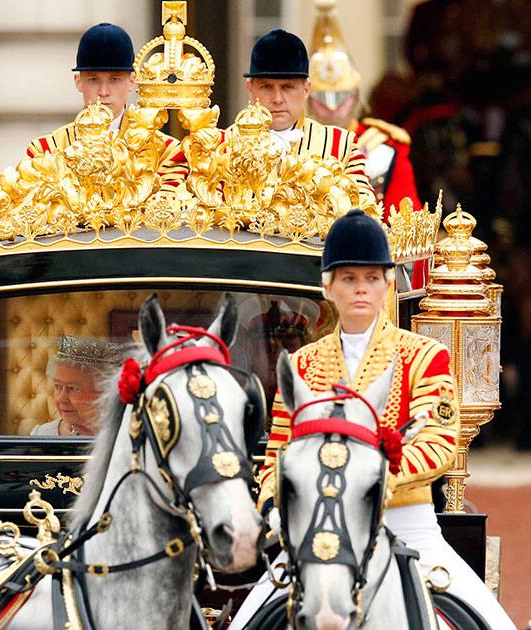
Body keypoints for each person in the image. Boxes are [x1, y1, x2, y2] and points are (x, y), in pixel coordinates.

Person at [230, 209, 513, 628]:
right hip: (315, 529)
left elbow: (438, 443)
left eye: (371, 278)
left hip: (405, 524)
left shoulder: (424, 356)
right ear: (327, 285)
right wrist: (273, 505)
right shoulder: (302, 366)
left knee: (491, 621)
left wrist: (368, 480)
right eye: (348, 278)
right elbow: (277, 455)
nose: (360, 289)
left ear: (388, 284)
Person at [25, 23, 188, 191]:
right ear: (78, 82)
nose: (103, 92)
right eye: (93, 79)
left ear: (132, 81)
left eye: (114, 79)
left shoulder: (165, 153)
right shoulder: (47, 151)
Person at [306, 0, 421, 223]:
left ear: (356, 95)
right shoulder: (292, 141)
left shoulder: (384, 146)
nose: (332, 108)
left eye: (340, 97)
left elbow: (407, 227)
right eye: (322, 98)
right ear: (308, 97)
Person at [241, 28, 377, 213]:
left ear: (307, 89)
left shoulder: (341, 145)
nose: (278, 98)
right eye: (266, 87)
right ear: (250, 88)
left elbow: (364, 211)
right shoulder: (223, 145)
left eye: (287, 87)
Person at [31, 336, 121, 436]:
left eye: (73, 388)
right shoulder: (42, 435)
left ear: (103, 392)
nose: (61, 398)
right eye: (58, 386)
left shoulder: (123, 435)